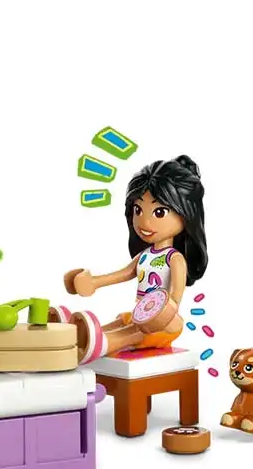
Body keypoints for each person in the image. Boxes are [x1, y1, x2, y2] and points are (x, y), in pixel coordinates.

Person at [56, 155, 207, 362]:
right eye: (138, 210)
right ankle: (73, 334)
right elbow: (123, 274)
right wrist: (94, 282)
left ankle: (101, 343)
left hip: (164, 324)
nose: (144, 221)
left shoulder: (175, 259)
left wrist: (162, 314)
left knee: (134, 331)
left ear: (186, 215)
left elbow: (175, 297)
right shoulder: (144, 256)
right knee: (122, 321)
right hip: (139, 315)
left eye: (159, 212)